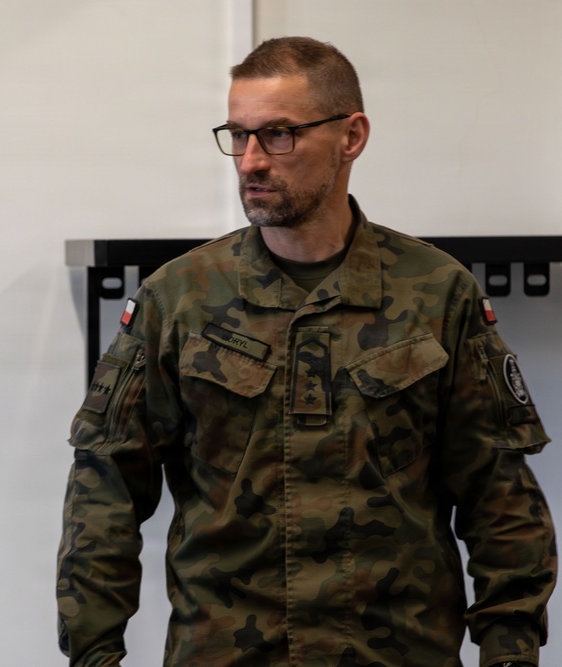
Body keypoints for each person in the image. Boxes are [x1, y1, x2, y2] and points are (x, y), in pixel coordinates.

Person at [56, 36, 556, 667]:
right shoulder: (179, 299)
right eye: (238, 135)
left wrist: (511, 652)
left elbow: (499, 495)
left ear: (352, 137)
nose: (250, 161)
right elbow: (104, 491)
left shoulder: (435, 292)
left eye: (279, 135)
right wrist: (94, 655)